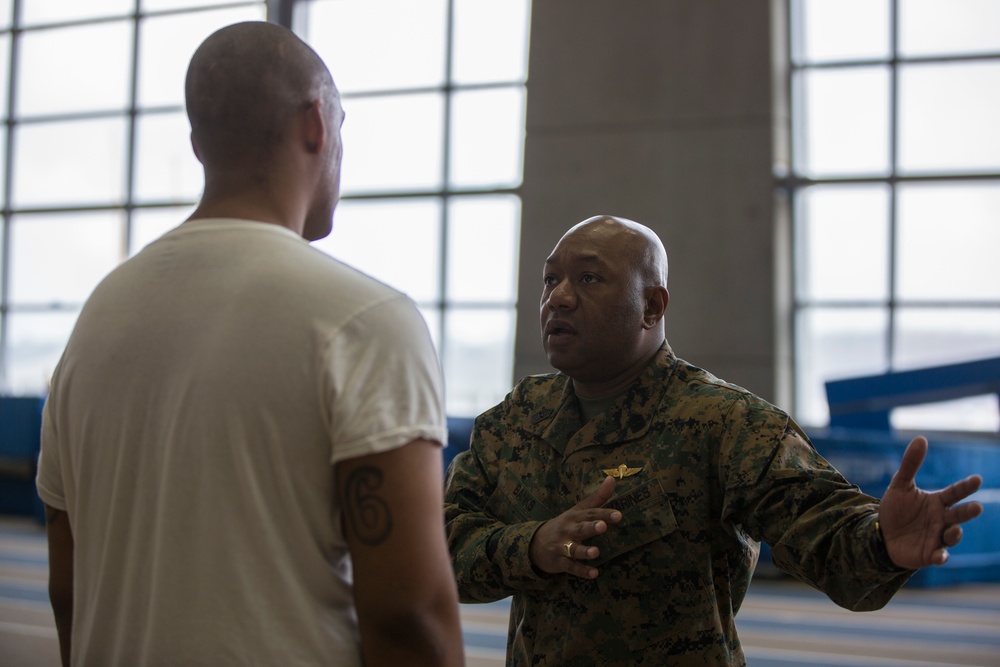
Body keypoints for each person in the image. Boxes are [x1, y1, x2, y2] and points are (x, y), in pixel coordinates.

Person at [36, 21, 464, 667]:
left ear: (199, 141)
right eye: (343, 129)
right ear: (316, 124)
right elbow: (407, 614)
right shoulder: (366, 321)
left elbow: (69, 589)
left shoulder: (97, 319)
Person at [443, 214, 983, 666]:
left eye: (588, 279)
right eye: (550, 279)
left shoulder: (726, 423)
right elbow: (445, 548)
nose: (558, 297)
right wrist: (533, 547)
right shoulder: (516, 420)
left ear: (653, 306)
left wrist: (882, 543)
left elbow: (828, 536)